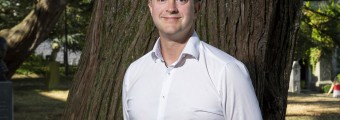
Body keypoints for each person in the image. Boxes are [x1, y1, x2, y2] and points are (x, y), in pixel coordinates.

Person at [122, 0, 262, 119]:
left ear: (197, 7)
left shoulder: (226, 71)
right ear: (150, 6)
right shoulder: (133, 74)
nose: (171, 8)